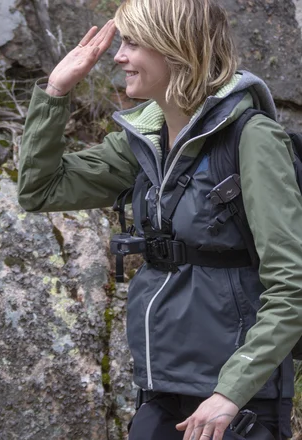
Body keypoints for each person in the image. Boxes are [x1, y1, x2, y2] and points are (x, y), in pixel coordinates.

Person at [17, 0, 302, 439]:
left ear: (175, 49)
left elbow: (291, 284)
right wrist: (55, 93)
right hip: (160, 389)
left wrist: (231, 393)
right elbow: (41, 190)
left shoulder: (252, 138)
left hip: (235, 404)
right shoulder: (145, 141)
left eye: (133, 43)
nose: (118, 56)